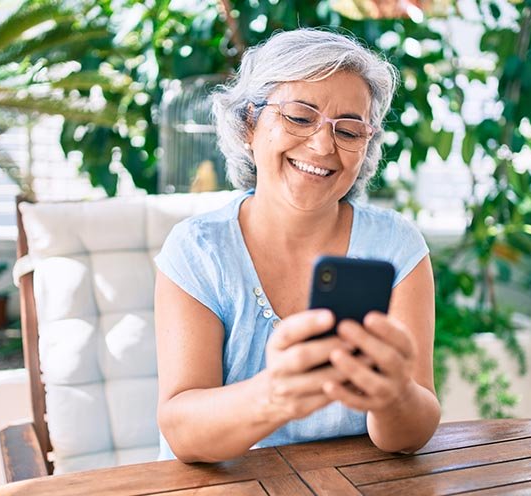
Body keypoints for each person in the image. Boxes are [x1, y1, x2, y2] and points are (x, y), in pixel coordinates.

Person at [154, 28, 440, 463]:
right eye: (300, 118)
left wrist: (394, 393)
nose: (323, 145)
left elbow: (411, 434)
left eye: (348, 130)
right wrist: (278, 392)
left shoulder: (396, 247)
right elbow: (183, 432)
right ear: (249, 124)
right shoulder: (199, 251)